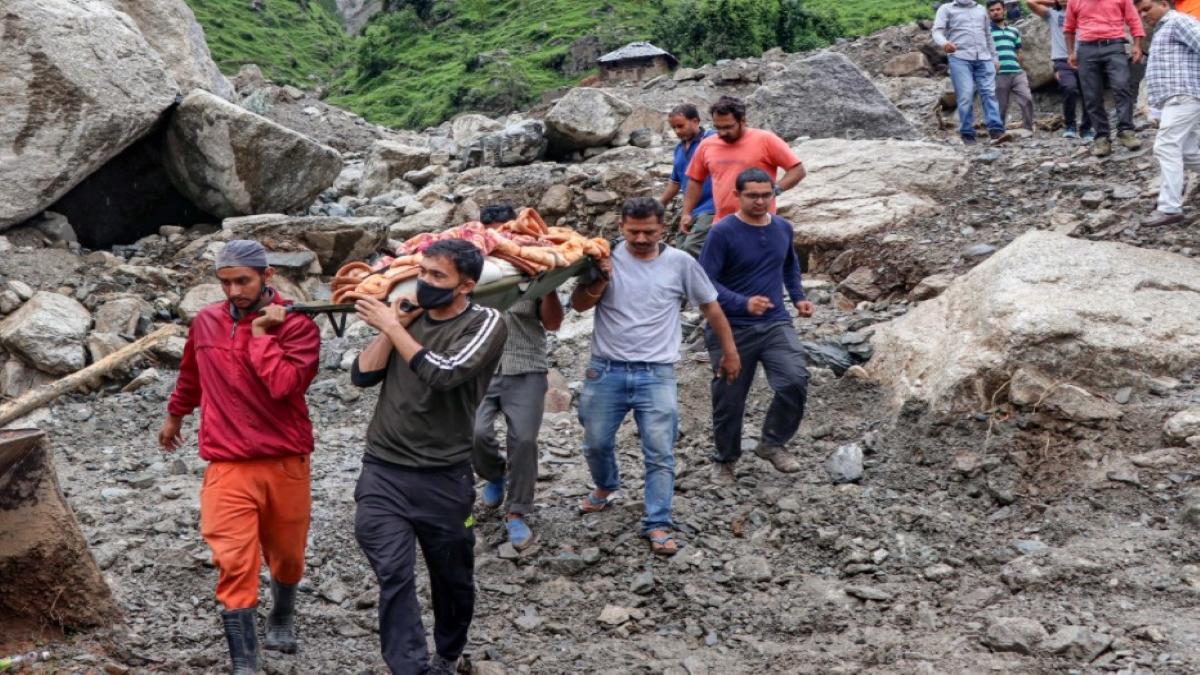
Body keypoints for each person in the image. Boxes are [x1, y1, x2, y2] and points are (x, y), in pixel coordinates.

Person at [159, 240, 320, 675]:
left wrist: (262, 335)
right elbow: (191, 373)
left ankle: (283, 613)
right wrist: (175, 416)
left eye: (242, 281)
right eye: (225, 282)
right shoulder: (207, 322)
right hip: (227, 463)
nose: (232, 291)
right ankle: (245, 662)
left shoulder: (298, 327)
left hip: (285, 459)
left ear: (267, 276)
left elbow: (284, 385)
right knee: (232, 559)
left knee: (287, 555)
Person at [351, 240, 507, 675]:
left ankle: (448, 653)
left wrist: (395, 326)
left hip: (444, 477)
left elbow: (444, 373)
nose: (425, 283)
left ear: (467, 285)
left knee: (452, 578)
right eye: (422, 272)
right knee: (394, 573)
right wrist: (391, 327)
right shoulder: (407, 320)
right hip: (383, 470)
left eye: (438, 276)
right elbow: (361, 375)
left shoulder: (487, 322)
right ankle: (410, 668)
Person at [570, 197, 740, 556]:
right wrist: (600, 279)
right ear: (621, 227)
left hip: (657, 373)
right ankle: (605, 485)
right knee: (595, 442)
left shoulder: (681, 263)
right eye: (634, 231)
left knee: (660, 452)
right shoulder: (604, 258)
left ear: (663, 228)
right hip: (605, 370)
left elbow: (710, 306)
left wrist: (729, 351)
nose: (642, 238)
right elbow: (579, 305)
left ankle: (658, 521)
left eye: (649, 231)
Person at [699, 169, 814, 485]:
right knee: (729, 396)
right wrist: (742, 302)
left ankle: (772, 442)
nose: (761, 201)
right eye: (753, 195)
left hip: (776, 322)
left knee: (794, 379)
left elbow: (789, 266)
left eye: (767, 194)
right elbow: (704, 281)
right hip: (730, 326)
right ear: (737, 195)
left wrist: (799, 297)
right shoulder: (722, 232)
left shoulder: (782, 228)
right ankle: (725, 459)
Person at [473, 203, 564, 549]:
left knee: (524, 440)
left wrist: (547, 286)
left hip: (526, 364)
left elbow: (554, 323)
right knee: (474, 433)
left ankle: (517, 512)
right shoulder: (474, 270)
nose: (501, 238)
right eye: (494, 232)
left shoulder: (534, 263)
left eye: (506, 230)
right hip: (479, 367)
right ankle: (495, 473)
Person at [680, 96, 806, 230]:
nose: (722, 133)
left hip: (759, 224)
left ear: (743, 121)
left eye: (728, 127)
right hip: (722, 224)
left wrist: (775, 190)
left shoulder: (766, 140)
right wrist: (687, 213)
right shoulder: (707, 144)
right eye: (718, 127)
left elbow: (797, 170)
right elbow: (695, 180)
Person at [1137, 0, 1200, 226]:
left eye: (1146, 9)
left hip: (1184, 95)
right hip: (1176, 98)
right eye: (1140, 12)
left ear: (1163, 4)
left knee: (1165, 146)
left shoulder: (1178, 21)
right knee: (1189, 152)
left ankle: (1169, 208)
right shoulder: (1165, 28)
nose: (1143, 15)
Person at [1065, 0, 1146, 157]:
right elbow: (1069, 27)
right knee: (1091, 95)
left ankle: (1126, 131)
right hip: (1086, 48)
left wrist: (1137, 45)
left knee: (1122, 85)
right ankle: (1102, 138)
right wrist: (1070, 52)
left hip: (1114, 45)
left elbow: (1134, 19)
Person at [933, 0, 1011, 145]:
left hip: (984, 58)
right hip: (960, 58)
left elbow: (988, 35)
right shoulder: (946, 9)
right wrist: (944, 43)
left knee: (989, 93)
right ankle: (967, 133)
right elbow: (937, 31)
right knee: (966, 94)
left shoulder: (981, 9)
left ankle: (996, 130)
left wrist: (995, 57)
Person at [1026, 0, 1094, 139]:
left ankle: (1086, 128)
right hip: (1062, 60)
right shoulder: (1052, 14)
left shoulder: (1084, 11)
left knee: (1089, 93)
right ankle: (1070, 125)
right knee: (1069, 88)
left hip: (1084, 58)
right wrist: (1055, 3)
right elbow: (1030, 2)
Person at [660, 104, 717, 258]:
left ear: (695, 121)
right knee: (679, 249)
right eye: (674, 128)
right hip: (691, 209)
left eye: (681, 126)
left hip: (712, 206)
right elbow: (675, 181)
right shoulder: (679, 149)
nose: (677, 131)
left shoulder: (713, 140)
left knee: (692, 247)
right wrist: (660, 204)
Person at [989, 0, 1037, 130]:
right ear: (988, 13)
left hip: (1017, 72)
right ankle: (999, 131)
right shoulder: (987, 32)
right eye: (992, 10)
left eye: (998, 9)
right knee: (1001, 105)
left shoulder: (1014, 31)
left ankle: (1028, 129)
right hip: (999, 74)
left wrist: (1021, 67)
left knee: (1026, 98)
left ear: (1003, 10)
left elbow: (1019, 50)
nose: (995, 12)